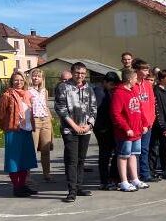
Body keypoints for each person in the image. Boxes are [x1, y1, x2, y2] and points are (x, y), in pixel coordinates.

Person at [54, 62, 97, 202]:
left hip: (85, 130)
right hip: (70, 130)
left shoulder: (89, 88)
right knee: (71, 160)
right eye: (77, 72)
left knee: (81, 160)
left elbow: (94, 108)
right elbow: (60, 109)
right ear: (72, 73)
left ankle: (79, 187)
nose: (80, 75)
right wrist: (74, 126)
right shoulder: (63, 87)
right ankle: (71, 190)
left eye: (83, 73)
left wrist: (89, 125)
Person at [0, 72, 38, 197]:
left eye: (21, 80)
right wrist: (8, 125)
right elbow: (0, 114)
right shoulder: (7, 95)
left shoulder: (27, 94)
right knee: (14, 160)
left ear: (24, 81)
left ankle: (23, 185)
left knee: (25, 160)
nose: (19, 82)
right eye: (16, 80)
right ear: (11, 81)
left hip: (26, 130)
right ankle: (17, 187)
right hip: (14, 131)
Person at [110, 68, 150, 192]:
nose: (136, 81)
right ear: (129, 79)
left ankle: (135, 179)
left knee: (134, 155)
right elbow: (116, 114)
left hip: (137, 131)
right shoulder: (118, 93)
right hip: (125, 133)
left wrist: (145, 124)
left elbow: (140, 110)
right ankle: (123, 181)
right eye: (135, 78)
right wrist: (126, 128)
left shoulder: (133, 92)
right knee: (123, 156)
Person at [93, 72, 121, 190]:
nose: (113, 87)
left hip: (109, 127)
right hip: (102, 128)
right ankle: (104, 180)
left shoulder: (108, 91)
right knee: (105, 154)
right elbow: (99, 111)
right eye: (111, 84)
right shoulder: (99, 92)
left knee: (116, 152)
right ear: (105, 82)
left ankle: (112, 177)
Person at [130, 59, 157, 182]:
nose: (147, 72)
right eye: (144, 70)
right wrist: (142, 123)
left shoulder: (147, 84)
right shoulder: (132, 85)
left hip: (148, 124)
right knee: (135, 151)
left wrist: (151, 120)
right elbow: (135, 106)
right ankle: (135, 175)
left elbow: (152, 103)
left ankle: (145, 174)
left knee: (145, 149)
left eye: (147, 70)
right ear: (137, 70)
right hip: (137, 123)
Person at [27, 69, 52, 182]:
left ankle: (47, 174)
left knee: (45, 149)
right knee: (32, 150)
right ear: (31, 77)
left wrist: (49, 117)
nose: (36, 78)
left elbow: (46, 105)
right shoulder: (27, 90)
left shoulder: (44, 91)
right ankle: (27, 175)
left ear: (42, 79)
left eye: (39, 76)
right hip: (34, 120)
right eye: (34, 76)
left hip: (45, 120)